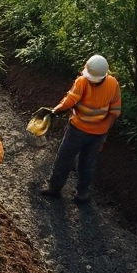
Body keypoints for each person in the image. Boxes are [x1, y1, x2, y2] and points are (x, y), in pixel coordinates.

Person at [39, 54, 122, 204]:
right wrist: (105, 132)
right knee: (87, 164)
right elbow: (115, 112)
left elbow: (69, 101)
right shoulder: (113, 83)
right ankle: (82, 194)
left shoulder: (82, 81)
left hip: (77, 130)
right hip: (99, 134)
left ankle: (54, 189)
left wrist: (55, 111)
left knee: (64, 159)